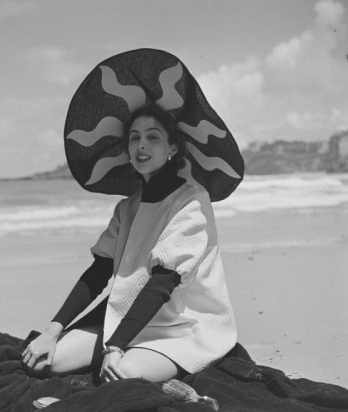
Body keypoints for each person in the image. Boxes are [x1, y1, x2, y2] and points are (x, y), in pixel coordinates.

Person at [21, 49, 244, 385]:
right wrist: (53, 331)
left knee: (120, 376)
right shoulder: (128, 207)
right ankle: (128, 359)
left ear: (171, 148)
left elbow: (161, 285)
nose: (141, 145)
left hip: (183, 326)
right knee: (42, 363)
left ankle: (174, 380)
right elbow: (98, 273)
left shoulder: (192, 202)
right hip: (127, 317)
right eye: (134, 138)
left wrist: (115, 345)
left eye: (153, 137)